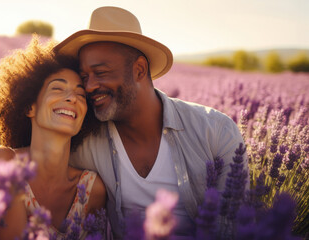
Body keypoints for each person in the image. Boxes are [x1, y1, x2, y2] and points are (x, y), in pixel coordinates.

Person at [55, 6, 249, 239]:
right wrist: (2, 154)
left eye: (101, 72)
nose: (89, 87)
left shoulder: (216, 131)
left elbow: (235, 226)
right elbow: (40, 164)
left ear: (139, 70)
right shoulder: (85, 144)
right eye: (84, 77)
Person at [0, 38, 106, 240]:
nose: (72, 98)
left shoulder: (92, 189)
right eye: (57, 88)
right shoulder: (1, 163)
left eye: (81, 94)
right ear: (29, 107)